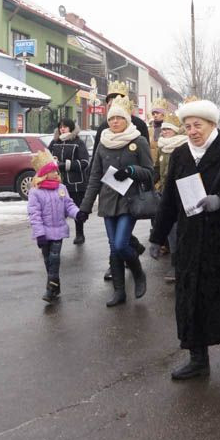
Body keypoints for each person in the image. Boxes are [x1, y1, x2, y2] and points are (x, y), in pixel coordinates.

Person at [148, 98, 220, 380]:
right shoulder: (180, 155)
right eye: (188, 126)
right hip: (192, 239)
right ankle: (197, 358)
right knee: (191, 298)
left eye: (197, 125)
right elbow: (169, 199)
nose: (192, 131)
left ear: (212, 124)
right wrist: (157, 236)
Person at [78, 95, 155, 307]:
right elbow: (95, 177)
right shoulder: (103, 143)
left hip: (129, 201)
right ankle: (119, 292)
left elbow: (150, 173)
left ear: (126, 119)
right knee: (114, 248)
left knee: (121, 244)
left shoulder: (138, 141)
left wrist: (131, 171)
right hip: (108, 201)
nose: (114, 122)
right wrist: (85, 208)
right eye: (111, 118)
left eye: (119, 118)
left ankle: (138, 273)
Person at [27, 150, 81, 303]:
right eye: (53, 171)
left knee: (54, 258)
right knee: (48, 261)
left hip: (58, 231)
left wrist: (78, 214)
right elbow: (34, 214)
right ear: (44, 174)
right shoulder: (35, 192)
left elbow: (69, 205)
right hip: (44, 233)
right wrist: (39, 234)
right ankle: (56, 287)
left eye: (57, 171)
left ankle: (50, 289)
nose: (57, 174)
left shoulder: (61, 188)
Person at [154, 113, 189, 282]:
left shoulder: (184, 145)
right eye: (163, 129)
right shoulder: (162, 147)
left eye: (168, 129)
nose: (164, 132)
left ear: (176, 130)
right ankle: (176, 262)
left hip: (182, 192)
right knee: (171, 228)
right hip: (165, 193)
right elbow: (156, 168)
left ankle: (184, 260)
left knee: (182, 228)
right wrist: (151, 183)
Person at [48, 118, 91, 244]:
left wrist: (66, 165)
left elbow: (84, 162)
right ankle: (55, 236)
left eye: (65, 126)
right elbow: (47, 158)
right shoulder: (54, 142)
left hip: (76, 184)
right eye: (60, 127)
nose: (62, 129)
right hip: (58, 183)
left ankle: (80, 234)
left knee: (76, 209)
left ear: (71, 128)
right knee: (57, 211)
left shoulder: (78, 142)